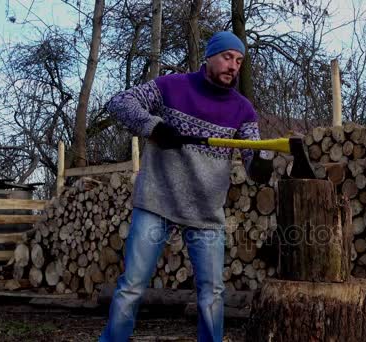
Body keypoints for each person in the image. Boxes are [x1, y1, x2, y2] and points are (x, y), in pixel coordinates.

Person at [99, 31, 273, 342]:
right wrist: (154, 126)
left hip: (206, 211)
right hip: (157, 200)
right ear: (209, 56)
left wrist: (260, 164)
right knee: (132, 286)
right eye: (226, 57)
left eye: (239, 60)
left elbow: (252, 153)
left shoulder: (242, 109)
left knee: (212, 294)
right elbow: (119, 102)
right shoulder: (171, 87)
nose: (233, 65)